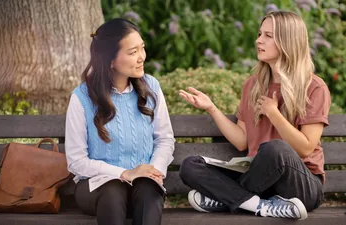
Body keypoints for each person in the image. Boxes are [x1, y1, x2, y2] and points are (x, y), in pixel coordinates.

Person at [178, 11, 331, 220]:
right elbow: (242, 141)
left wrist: (273, 113)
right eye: (260, 34)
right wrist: (211, 108)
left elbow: (305, 148)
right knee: (190, 166)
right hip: (260, 181)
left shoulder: (314, 87)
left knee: (274, 149)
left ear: (288, 41)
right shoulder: (253, 85)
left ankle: (228, 199)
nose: (259, 40)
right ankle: (258, 205)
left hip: (300, 186)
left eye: (268, 36)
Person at [65, 18, 175, 225]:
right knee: (113, 189)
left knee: (148, 187)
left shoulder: (151, 87)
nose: (142, 57)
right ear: (110, 60)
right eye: (132, 52)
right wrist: (124, 173)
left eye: (142, 48)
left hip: (141, 188)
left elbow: (165, 139)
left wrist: (155, 170)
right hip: (97, 187)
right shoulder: (81, 98)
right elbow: (76, 161)